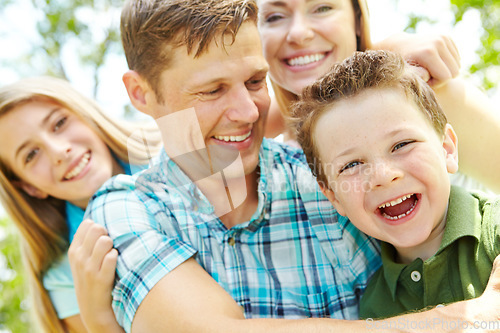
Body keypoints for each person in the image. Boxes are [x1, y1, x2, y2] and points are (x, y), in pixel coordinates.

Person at [68, 1, 500, 332]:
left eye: (256, 82)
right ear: (141, 93)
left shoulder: (328, 175)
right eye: (212, 90)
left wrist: (389, 51)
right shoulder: (126, 211)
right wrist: (466, 319)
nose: (246, 110)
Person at [293, 49, 500, 320]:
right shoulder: (374, 308)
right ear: (333, 196)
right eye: (352, 164)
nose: (383, 175)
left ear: (447, 149)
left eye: (401, 145)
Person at [257, 0, 500, 193]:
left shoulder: (430, 96)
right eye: (275, 16)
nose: (298, 33)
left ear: (357, 20)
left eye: (322, 8)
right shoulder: (269, 140)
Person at [0, 76, 162, 333]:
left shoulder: (176, 152)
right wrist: (97, 318)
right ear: (29, 187)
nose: (58, 151)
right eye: (31, 154)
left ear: (85, 115)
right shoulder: (66, 276)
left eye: (59, 123)